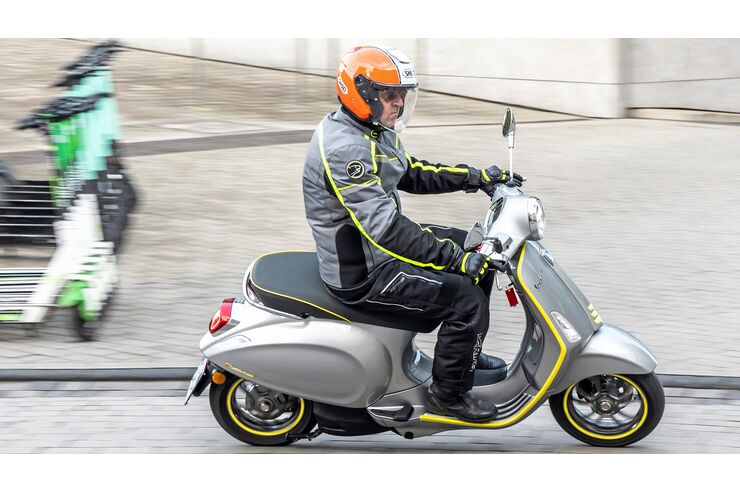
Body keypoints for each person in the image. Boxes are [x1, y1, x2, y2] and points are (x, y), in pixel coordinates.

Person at [302, 45, 523, 423]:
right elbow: (385, 229)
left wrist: (475, 178)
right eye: (389, 94)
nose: (399, 103)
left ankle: (460, 359)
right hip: (364, 271)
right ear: (360, 92)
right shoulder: (345, 149)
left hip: (376, 249)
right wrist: (457, 260)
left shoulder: (369, 129)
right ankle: (447, 394)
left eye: (403, 94)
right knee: (466, 300)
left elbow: (410, 172)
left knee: (480, 252)